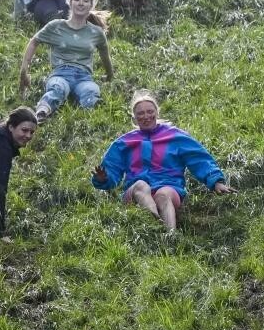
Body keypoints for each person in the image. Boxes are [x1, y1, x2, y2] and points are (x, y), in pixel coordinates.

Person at [92, 89, 236, 231]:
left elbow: (199, 159)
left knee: (164, 193)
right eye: (140, 113)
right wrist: (103, 178)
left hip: (170, 188)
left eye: (149, 111)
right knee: (141, 185)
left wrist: (216, 181)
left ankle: (170, 235)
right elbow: (111, 170)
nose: (146, 116)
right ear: (134, 118)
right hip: (134, 195)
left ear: (157, 113)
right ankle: (157, 222)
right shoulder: (124, 142)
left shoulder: (175, 137)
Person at [19, 0, 113, 122]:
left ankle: (92, 116)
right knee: (57, 88)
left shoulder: (96, 32)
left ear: (91, 5)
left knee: (91, 90)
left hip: (84, 76)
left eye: (86, 0)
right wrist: (24, 70)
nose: (81, 3)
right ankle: (42, 112)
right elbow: (34, 41)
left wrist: (110, 75)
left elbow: (105, 56)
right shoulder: (56, 26)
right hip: (60, 73)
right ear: (69, 1)